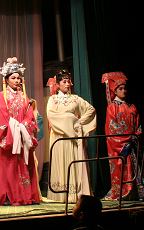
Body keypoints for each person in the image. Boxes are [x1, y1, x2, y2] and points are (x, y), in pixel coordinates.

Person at [0, 57, 40, 206]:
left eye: (18, 78)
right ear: (6, 80)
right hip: (10, 137)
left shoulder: (23, 96)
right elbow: (0, 115)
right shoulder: (2, 96)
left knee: (25, 165)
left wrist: (23, 126)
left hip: (22, 134)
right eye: (13, 78)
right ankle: (7, 196)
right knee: (9, 166)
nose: (17, 80)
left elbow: (29, 114)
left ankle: (27, 196)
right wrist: (14, 127)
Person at [47, 69, 96, 203]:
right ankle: (61, 193)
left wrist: (79, 122)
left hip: (74, 135)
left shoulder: (75, 99)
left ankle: (76, 193)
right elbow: (51, 116)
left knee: (75, 161)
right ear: (57, 84)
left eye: (68, 81)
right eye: (64, 81)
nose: (68, 84)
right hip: (60, 135)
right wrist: (69, 121)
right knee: (61, 160)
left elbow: (91, 110)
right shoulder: (53, 100)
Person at [101, 71, 144, 200]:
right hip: (120, 145)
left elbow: (138, 125)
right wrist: (126, 139)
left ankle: (136, 192)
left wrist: (135, 136)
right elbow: (111, 127)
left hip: (132, 143)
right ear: (115, 91)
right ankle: (122, 192)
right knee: (121, 167)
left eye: (124, 88)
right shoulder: (112, 107)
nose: (124, 91)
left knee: (135, 168)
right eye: (120, 89)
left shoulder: (132, 107)